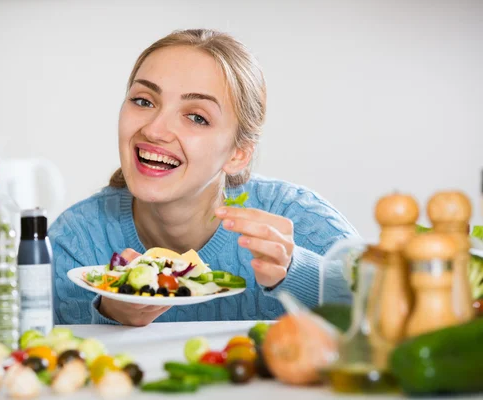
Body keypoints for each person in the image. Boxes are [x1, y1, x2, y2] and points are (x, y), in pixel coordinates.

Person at [48, 28, 359, 326]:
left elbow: (397, 317)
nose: (154, 130)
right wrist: (110, 316)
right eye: (143, 101)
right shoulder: (74, 243)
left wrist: (298, 273)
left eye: (197, 117)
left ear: (238, 154)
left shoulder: (301, 222)